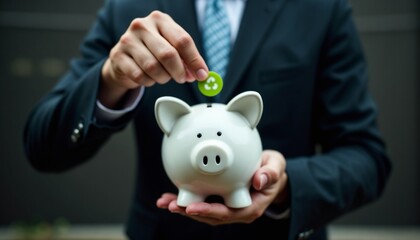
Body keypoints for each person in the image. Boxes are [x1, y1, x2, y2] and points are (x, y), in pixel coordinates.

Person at [23, 0, 392, 239]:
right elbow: (42, 147)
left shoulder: (320, 9)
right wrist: (110, 80)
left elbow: (367, 158)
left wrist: (285, 186)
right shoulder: (129, 10)